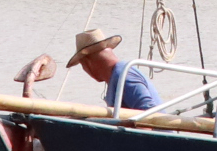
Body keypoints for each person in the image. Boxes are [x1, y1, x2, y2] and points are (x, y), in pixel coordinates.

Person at [18, 27, 161, 112]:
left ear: (88, 64)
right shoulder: (114, 78)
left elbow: (149, 112)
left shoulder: (124, 75)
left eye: (82, 66)